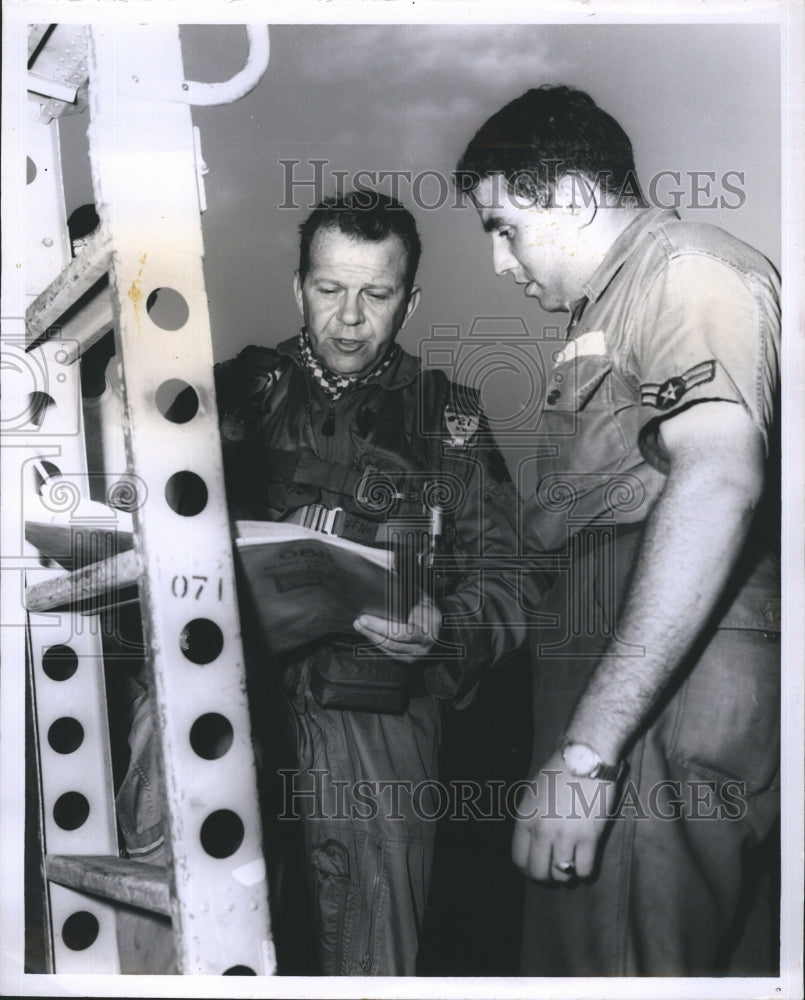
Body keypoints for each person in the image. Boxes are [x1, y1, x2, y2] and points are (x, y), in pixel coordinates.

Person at [454, 86, 781, 977]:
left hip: (653, 723)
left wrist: (590, 756)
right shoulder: (607, 311)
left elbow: (717, 481)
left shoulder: (683, 272)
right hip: (624, 705)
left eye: (504, 225)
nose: (497, 261)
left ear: (570, 194)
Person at [179, 189, 523, 976]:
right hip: (221, 689)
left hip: (379, 707)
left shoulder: (450, 420)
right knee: (184, 914)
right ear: (296, 286)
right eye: (329, 290)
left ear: (409, 300)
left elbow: (504, 575)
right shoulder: (217, 397)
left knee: (372, 945)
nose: (349, 318)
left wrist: (445, 629)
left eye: (377, 293)